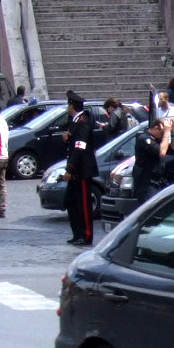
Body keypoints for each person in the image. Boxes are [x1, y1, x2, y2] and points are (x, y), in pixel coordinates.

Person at [62, 90, 98, 247]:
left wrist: (70, 169)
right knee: (70, 202)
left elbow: (80, 147)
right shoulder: (76, 122)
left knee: (83, 204)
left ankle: (86, 234)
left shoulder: (82, 122)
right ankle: (77, 233)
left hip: (82, 170)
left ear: (72, 106)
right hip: (77, 169)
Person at [132, 118, 174, 204]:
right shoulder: (144, 138)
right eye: (162, 132)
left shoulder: (158, 140)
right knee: (150, 209)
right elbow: (162, 152)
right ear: (156, 128)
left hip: (158, 181)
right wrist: (166, 132)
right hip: (147, 183)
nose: (163, 135)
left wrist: (172, 133)